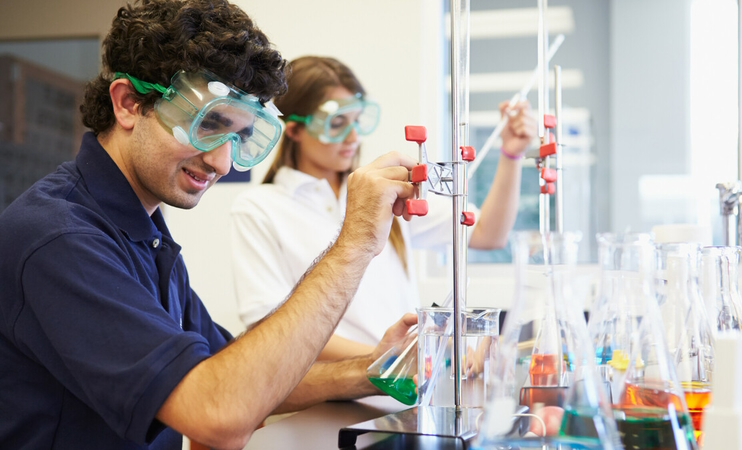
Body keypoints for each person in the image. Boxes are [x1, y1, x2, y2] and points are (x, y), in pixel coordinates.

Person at [0, 1, 420, 449]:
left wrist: (374, 371)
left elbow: (236, 373)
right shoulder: (58, 237)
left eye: (239, 136)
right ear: (128, 104)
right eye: (208, 125)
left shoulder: (145, 230)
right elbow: (219, 410)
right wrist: (354, 244)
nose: (222, 161)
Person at [231, 56, 535, 360]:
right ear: (294, 129)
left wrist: (510, 155)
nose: (353, 137)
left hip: (406, 391)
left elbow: (487, 234)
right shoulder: (260, 209)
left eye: (356, 121)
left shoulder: (380, 192)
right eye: (336, 124)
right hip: (335, 400)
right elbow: (268, 329)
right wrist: (393, 360)